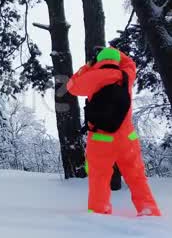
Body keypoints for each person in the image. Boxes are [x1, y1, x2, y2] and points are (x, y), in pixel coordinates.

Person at [67, 47, 161, 216]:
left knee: (99, 179)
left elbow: (72, 86)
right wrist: (116, 53)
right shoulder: (126, 76)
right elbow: (130, 63)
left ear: (99, 61)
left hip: (100, 139)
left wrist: (89, 66)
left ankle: (99, 211)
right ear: (117, 60)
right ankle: (148, 210)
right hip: (127, 138)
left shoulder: (92, 78)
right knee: (136, 177)